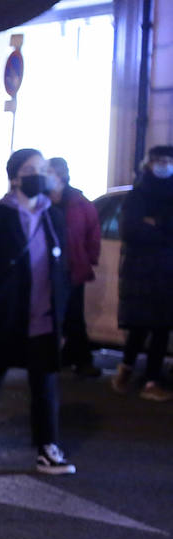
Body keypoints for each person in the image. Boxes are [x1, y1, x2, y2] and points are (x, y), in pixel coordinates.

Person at [0, 149, 76, 473]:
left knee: (45, 384)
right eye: (30, 168)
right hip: (5, 314)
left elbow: (61, 265)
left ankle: (47, 447)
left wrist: (61, 311)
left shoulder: (53, 216)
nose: (38, 173)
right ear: (15, 176)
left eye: (42, 168)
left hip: (43, 314)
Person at [112, 146, 173, 401]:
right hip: (140, 271)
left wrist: (154, 224)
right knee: (139, 326)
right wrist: (162, 229)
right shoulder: (137, 195)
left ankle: (151, 381)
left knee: (162, 327)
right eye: (159, 160)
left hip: (167, 272)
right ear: (148, 164)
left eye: (169, 160)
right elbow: (130, 230)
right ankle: (125, 369)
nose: (164, 165)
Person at [48, 157, 103, 379]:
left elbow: (93, 232)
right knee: (53, 315)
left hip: (71, 267)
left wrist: (88, 257)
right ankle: (67, 356)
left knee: (73, 315)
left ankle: (79, 358)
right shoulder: (41, 200)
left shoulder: (79, 202)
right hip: (48, 268)